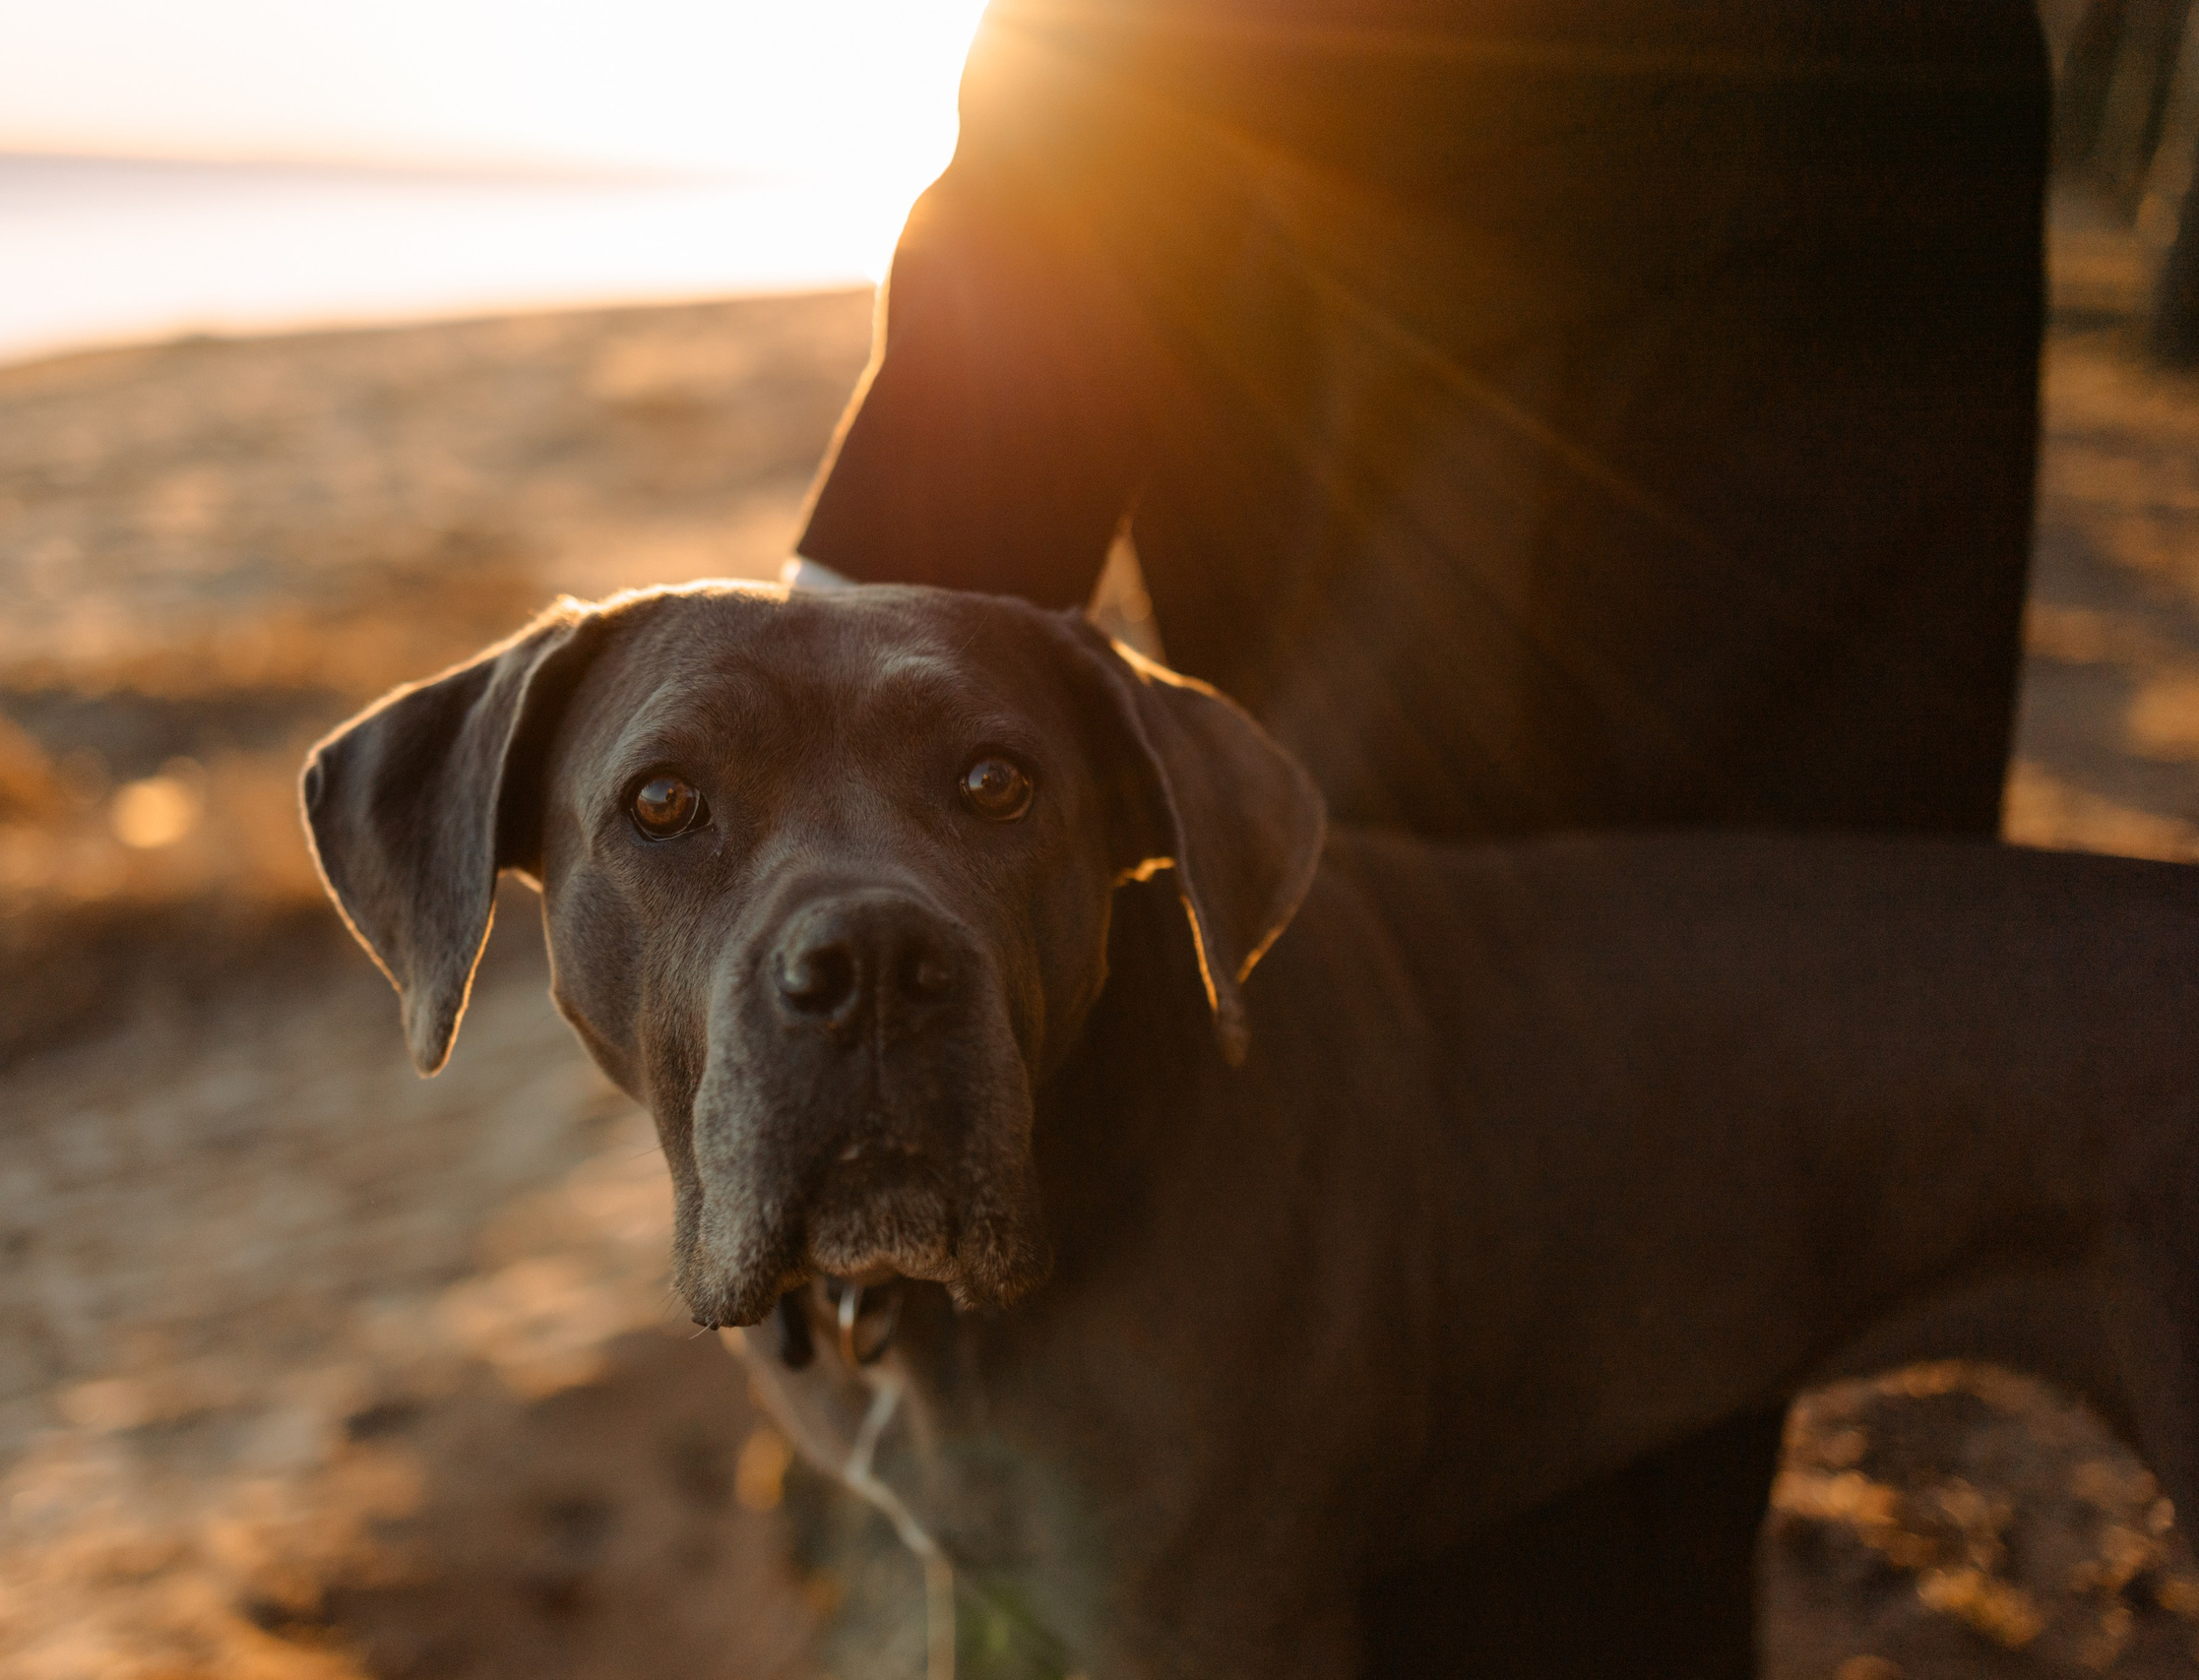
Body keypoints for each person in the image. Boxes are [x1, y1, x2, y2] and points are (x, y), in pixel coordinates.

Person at [788, 1, 2053, 1673]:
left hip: (1488, 735)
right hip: (1795, 684)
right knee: (1637, 1439)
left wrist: (871, 614)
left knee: (1466, 1434)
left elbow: (1098, 100)